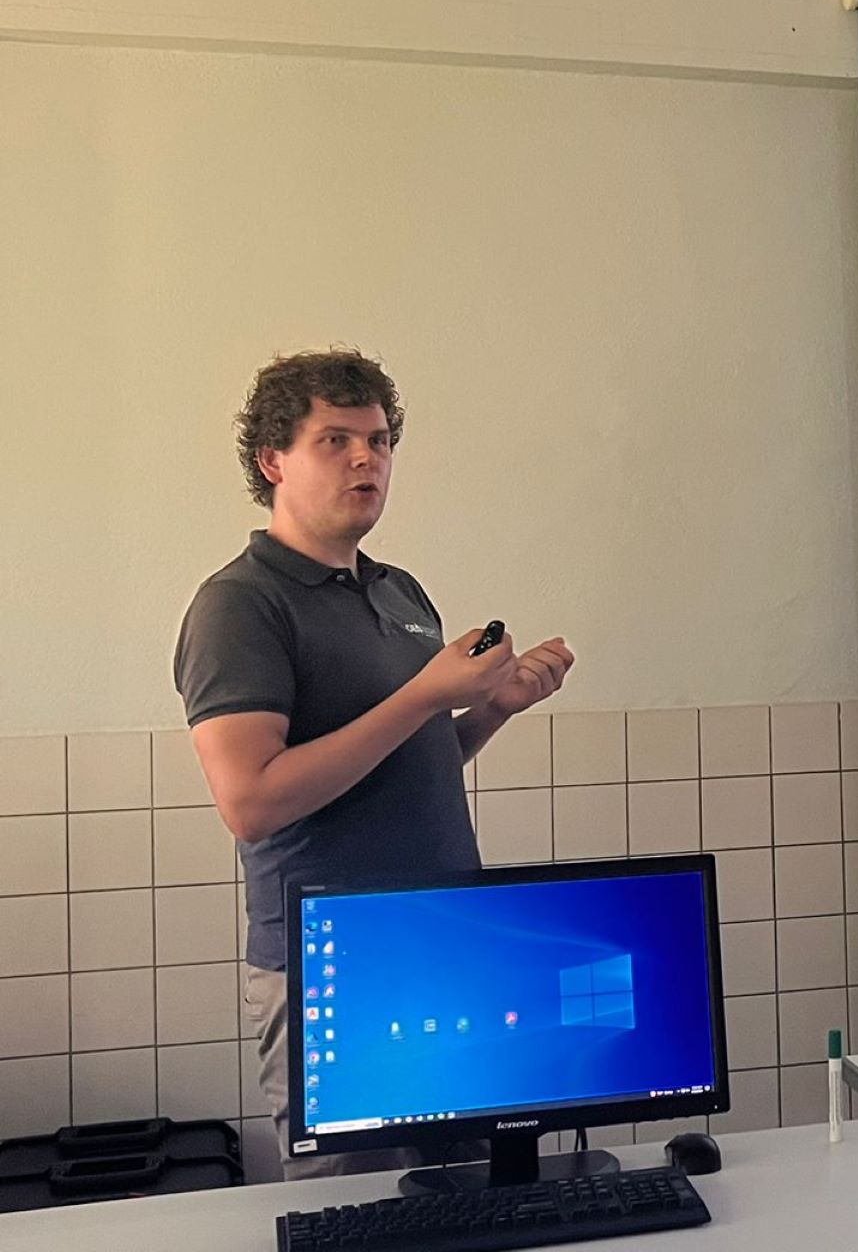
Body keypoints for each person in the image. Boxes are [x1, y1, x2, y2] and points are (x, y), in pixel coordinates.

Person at [174, 349, 575, 1178]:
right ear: (273, 460)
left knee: (483, 1193)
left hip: (448, 947)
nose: (367, 459)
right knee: (357, 1212)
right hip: (334, 967)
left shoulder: (401, 592)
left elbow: (414, 762)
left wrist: (491, 708)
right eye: (336, 441)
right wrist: (426, 694)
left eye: (380, 440)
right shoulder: (239, 605)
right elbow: (251, 802)